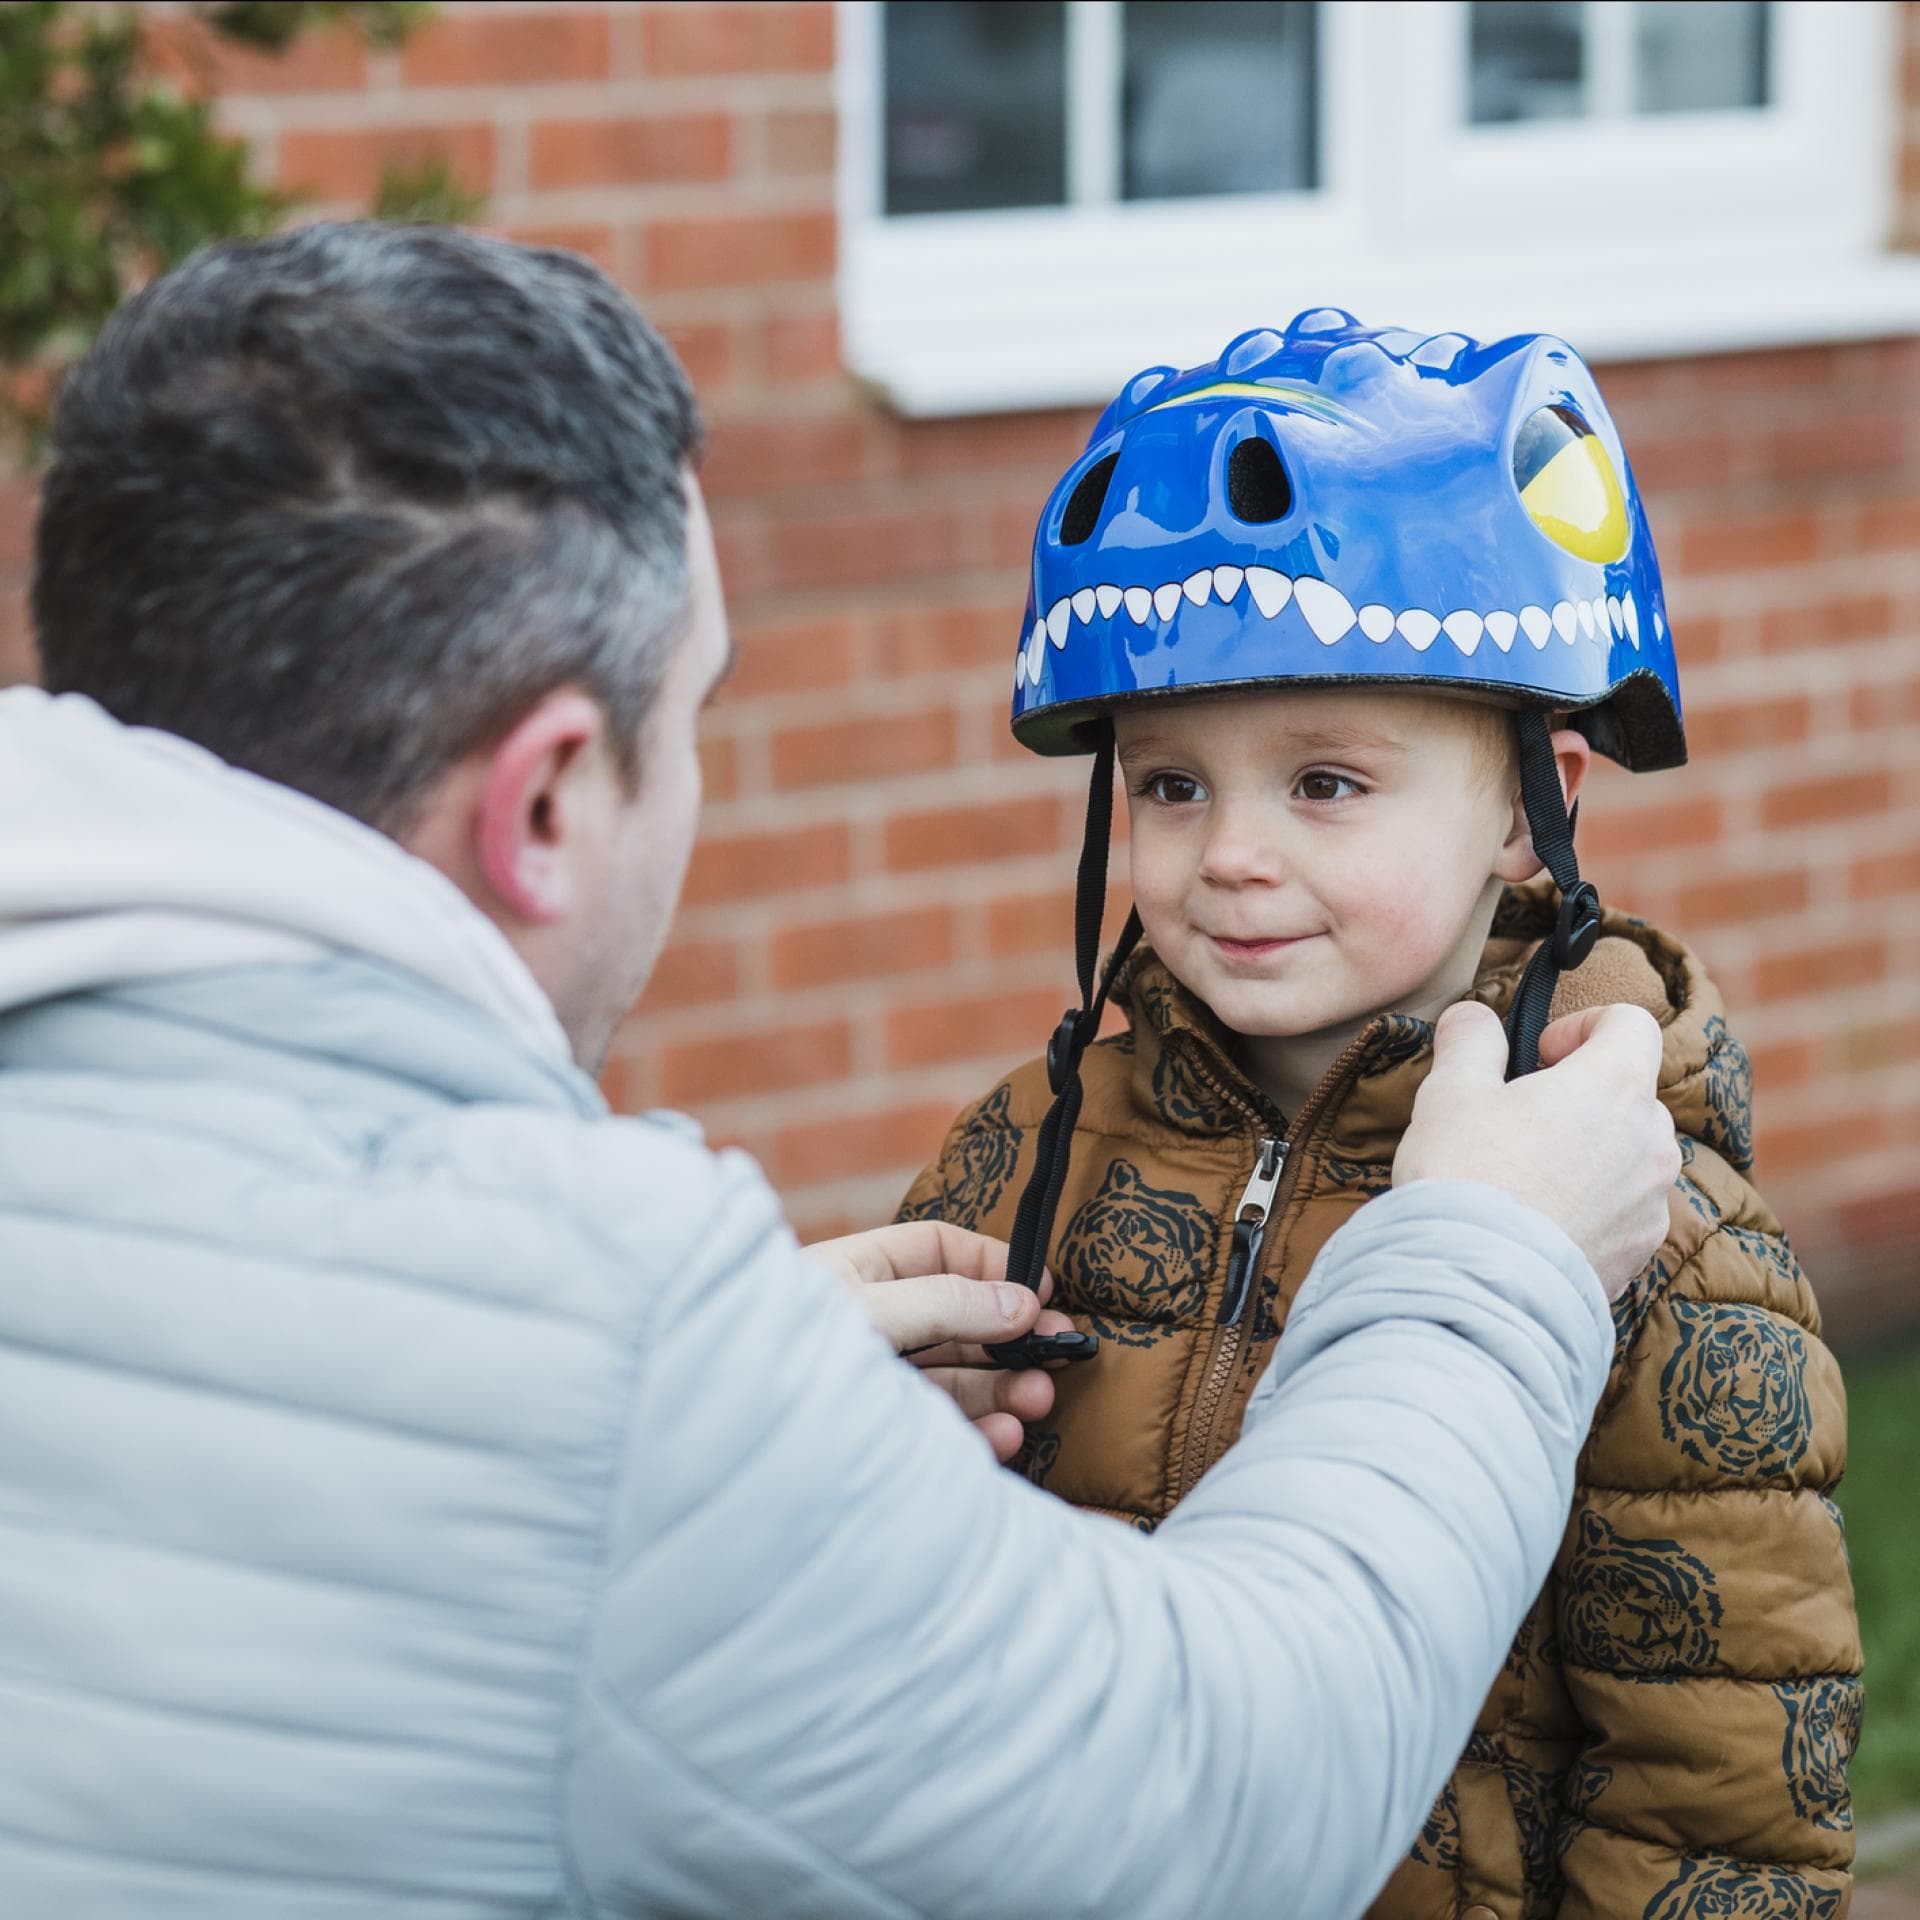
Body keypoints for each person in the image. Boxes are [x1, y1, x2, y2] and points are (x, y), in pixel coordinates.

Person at [0, 227, 1676, 1920]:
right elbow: (1197, 1815)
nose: (1233, 855)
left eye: (1323, 783)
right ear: (545, 804)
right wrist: (1495, 1264)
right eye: (696, 713)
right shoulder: (646, 1321)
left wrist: (748, 1390)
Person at [901, 316, 1862, 1917]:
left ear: (1532, 812)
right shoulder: (1026, 1152)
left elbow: (1722, 1798)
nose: (1232, 856)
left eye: (1326, 783)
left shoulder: (1649, 1234)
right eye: (1170, 784)